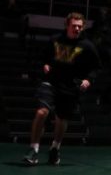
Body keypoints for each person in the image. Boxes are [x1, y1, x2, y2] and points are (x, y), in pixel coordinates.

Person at [23, 12, 99, 166]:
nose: (77, 28)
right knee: (41, 112)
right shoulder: (55, 40)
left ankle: (55, 148)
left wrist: (88, 79)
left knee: (61, 119)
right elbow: (44, 57)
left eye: (79, 26)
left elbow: (96, 67)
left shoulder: (87, 46)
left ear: (83, 27)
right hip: (50, 82)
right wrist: (45, 64)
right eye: (74, 26)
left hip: (70, 86)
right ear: (67, 25)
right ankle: (34, 149)